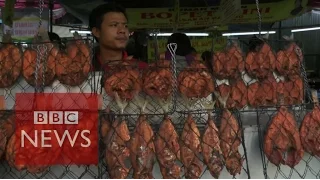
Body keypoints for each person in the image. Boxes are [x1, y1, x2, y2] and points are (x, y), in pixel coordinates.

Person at [88, 3, 148, 71]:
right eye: (114, 25)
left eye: (125, 26)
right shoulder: (83, 69)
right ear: (97, 32)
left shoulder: (141, 68)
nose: (122, 30)